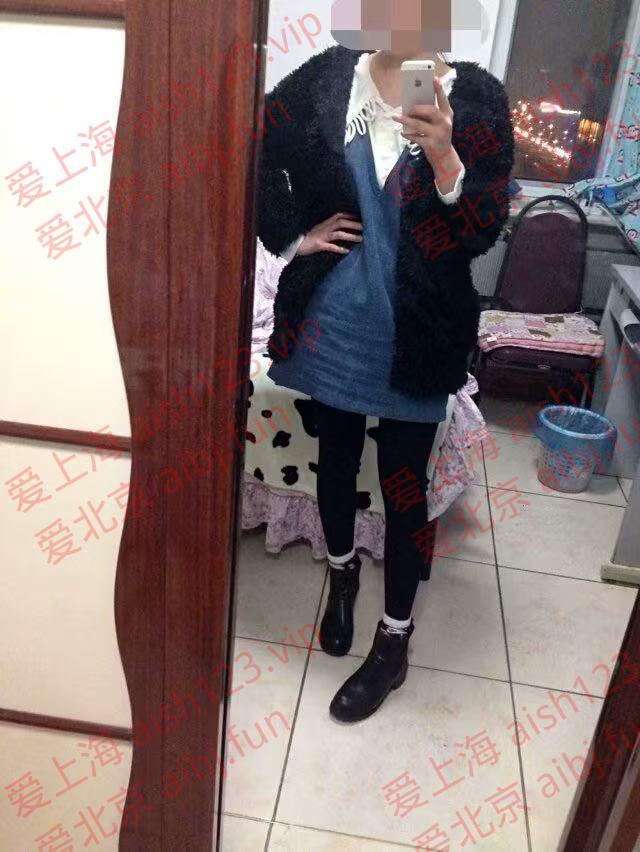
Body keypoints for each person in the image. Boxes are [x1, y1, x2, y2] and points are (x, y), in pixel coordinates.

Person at [257, 6, 514, 722]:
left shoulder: (478, 97)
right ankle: (341, 578)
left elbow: (483, 228)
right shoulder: (326, 80)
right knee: (335, 462)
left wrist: (447, 159)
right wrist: (292, 238)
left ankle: (394, 640)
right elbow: (254, 141)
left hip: (418, 333)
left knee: (405, 492)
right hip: (334, 322)